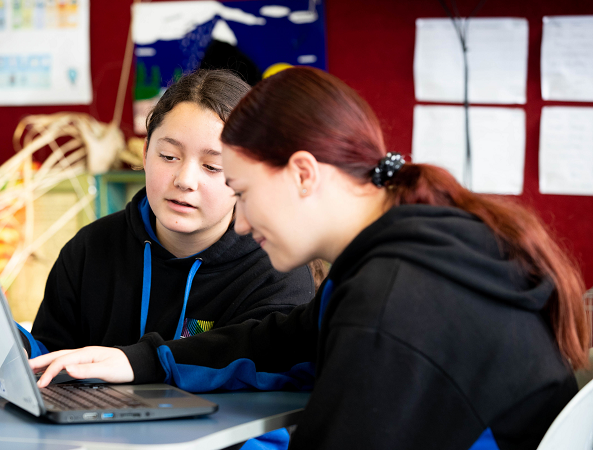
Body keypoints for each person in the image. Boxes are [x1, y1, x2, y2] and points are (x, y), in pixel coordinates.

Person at [31, 67, 589, 450]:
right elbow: (282, 340)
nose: (242, 223)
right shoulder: (396, 255)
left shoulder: (394, 297)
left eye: (241, 192)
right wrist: (140, 363)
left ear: (302, 174)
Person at [17, 69, 316, 360]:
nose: (184, 180)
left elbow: (274, 378)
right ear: (145, 153)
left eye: (212, 167)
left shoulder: (275, 269)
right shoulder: (90, 248)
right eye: (169, 157)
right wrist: (9, 343)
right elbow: (48, 356)